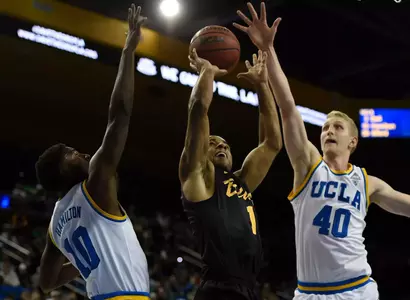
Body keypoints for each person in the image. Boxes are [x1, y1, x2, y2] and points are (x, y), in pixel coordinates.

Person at [235, 2, 410, 299]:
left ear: (352, 142)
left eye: (337, 128)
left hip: (356, 289)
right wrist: (268, 48)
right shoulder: (308, 165)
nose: (328, 131)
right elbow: (288, 107)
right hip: (309, 293)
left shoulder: (367, 183)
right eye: (325, 127)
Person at [35, 4, 150, 299]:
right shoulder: (95, 184)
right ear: (63, 171)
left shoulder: (55, 226)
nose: (84, 154)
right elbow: (120, 114)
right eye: (72, 154)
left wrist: (84, 264)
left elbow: (46, 282)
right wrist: (128, 52)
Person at [179, 48, 282, 300]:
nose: (222, 145)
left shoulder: (241, 182)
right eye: (213, 142)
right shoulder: (198, 177)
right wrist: (207, 72)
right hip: (219, 290)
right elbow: (197, 112)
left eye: (225, 144)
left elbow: (272, 142)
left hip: (249, 290)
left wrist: (262, 85)